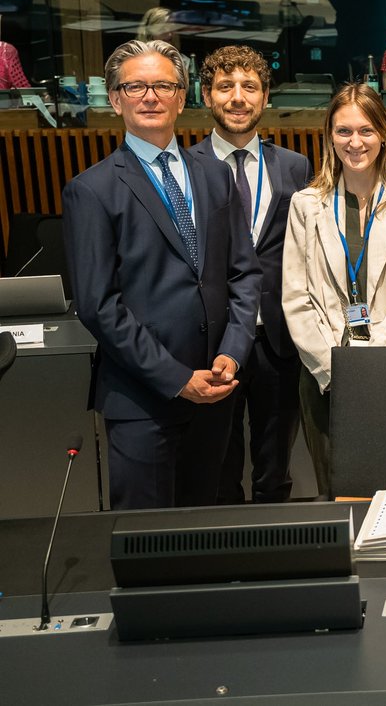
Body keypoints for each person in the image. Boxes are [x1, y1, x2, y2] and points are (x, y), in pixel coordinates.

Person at [61, 40, 261, 510]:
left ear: (182, 96)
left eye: (164, 85)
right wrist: (176, 377)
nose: (150, 96)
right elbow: (97, 305)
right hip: (143, 400)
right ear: (115, 100)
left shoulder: (216, 176)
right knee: (146, 545)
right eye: (135, 86)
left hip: (215, 392)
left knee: (204, 534)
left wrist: (232, 353)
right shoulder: (91, 190)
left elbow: (244, 274)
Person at [282, 84, 386, 498]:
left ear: (385, 134)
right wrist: (336, 370)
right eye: (343, 131)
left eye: (366, 131)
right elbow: (295, 299)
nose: (355, 142)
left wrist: (370, 365)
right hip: (325, 378)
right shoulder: (306, 204)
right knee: (338, 496)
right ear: (329, 136)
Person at [194, 46, 313, 504]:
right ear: (207, 96)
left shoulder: (294, 166)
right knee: (219, 471)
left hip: (280, 340)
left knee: (275, 472)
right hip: (215, 342)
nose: (238, 98)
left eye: (249, 87)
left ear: (265, 98)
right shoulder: (186, 168)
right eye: (226, 87)